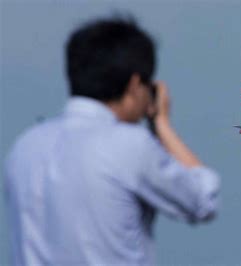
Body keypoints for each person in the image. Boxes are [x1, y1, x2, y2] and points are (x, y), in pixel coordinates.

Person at [3, 16, 220, 265]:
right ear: (135, 84)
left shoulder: (25, 147)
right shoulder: (129, 145)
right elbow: (203, 201)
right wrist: (162, 125)